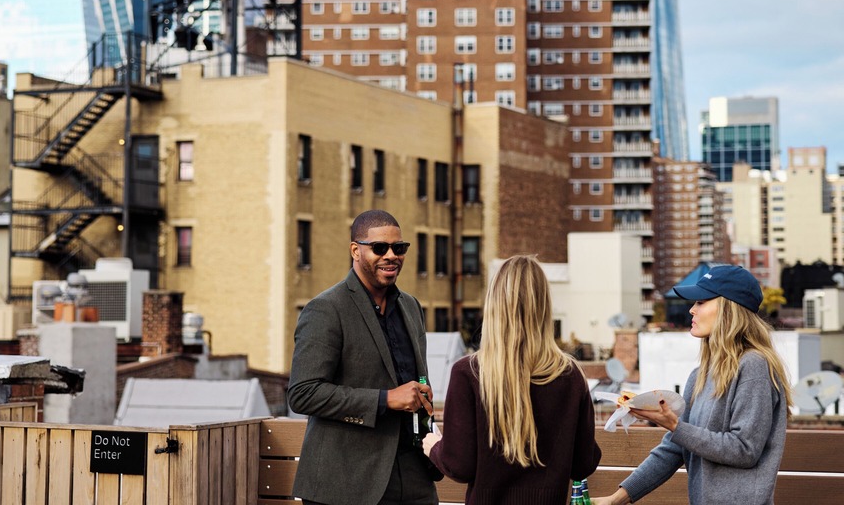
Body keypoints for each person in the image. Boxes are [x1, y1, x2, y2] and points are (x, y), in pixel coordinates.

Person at [594, 265, 791, 505]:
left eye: (701, 302)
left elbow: (744, 450)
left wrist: (676, 427)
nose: (692, 310)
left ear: (729, 309)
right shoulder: (699, 376)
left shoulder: (754, 366)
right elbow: (673, 450)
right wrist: (616, 499)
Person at [288, 210, 439, 505]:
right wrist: (385, 399)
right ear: (355, 251)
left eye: (399, 248)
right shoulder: (326, 309)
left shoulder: (411, 307)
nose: (391, 255)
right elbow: (303, 393)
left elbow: (418, 382)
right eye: (380, 248)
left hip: (414, 473)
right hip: (347, 481)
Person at [423, 255, 601, 504]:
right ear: (544, 307)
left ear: (494, 305)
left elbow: (459, 466)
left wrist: (434, 446)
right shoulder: (570, 375)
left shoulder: (468, 373)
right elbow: (583, 464)